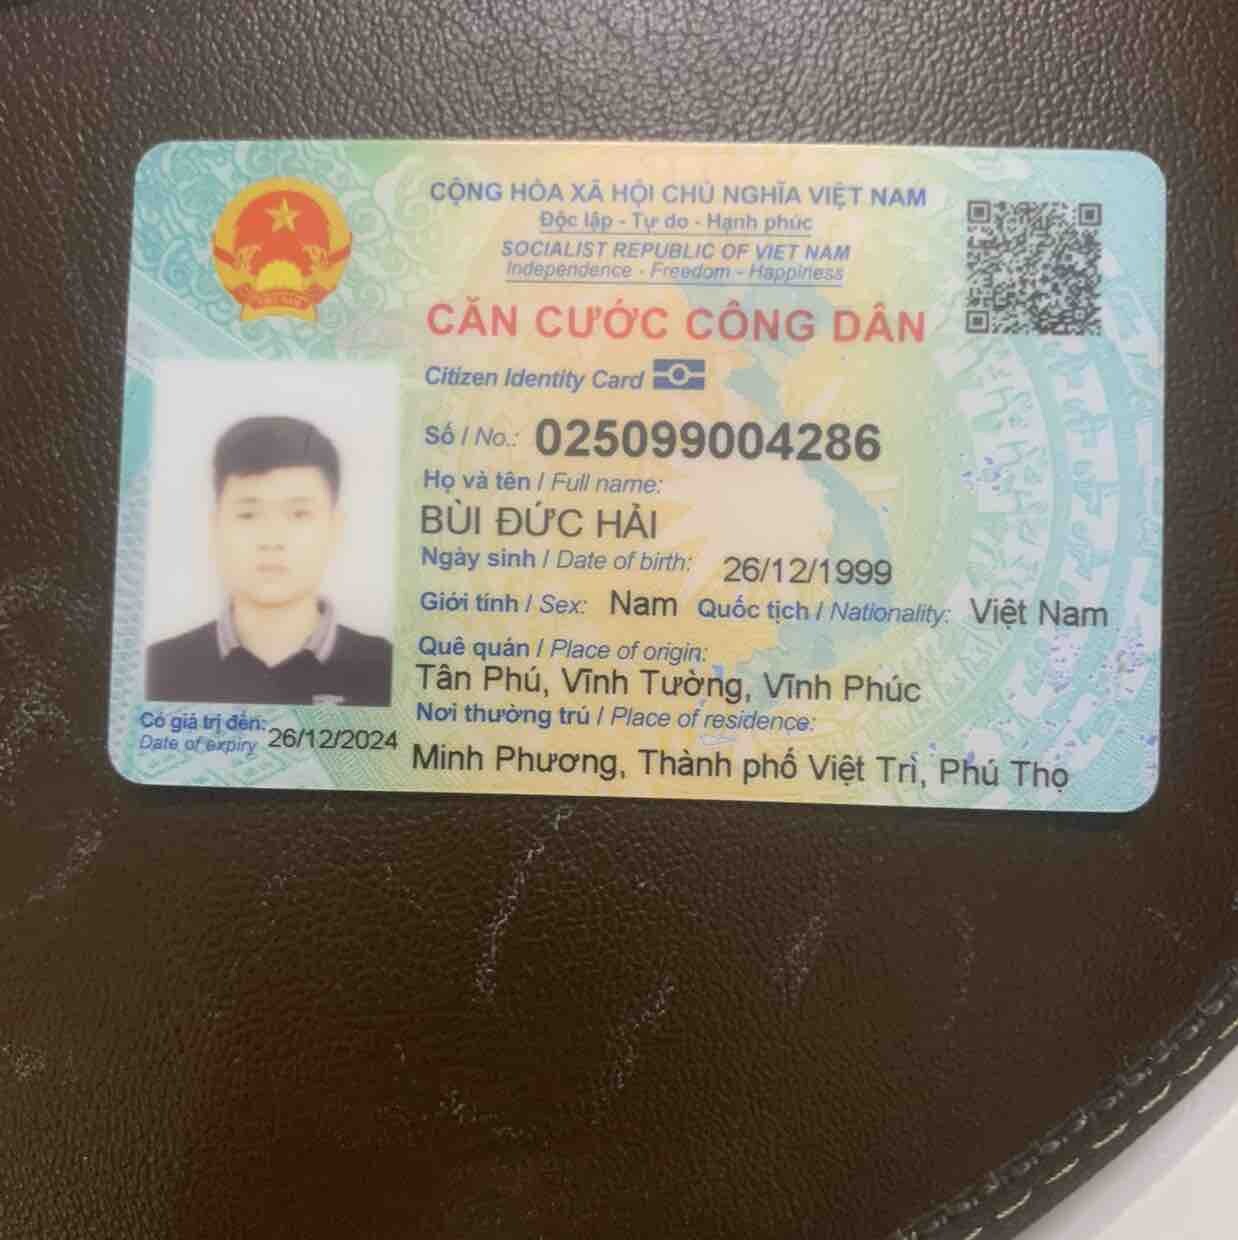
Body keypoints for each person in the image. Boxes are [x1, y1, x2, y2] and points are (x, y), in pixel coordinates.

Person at [146, 415, 393, 706]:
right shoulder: (159, 670)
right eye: (248, 515)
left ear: (335, 528)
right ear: (215, 527)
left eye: (299, 514)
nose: (272, 540)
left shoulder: (387, 671)